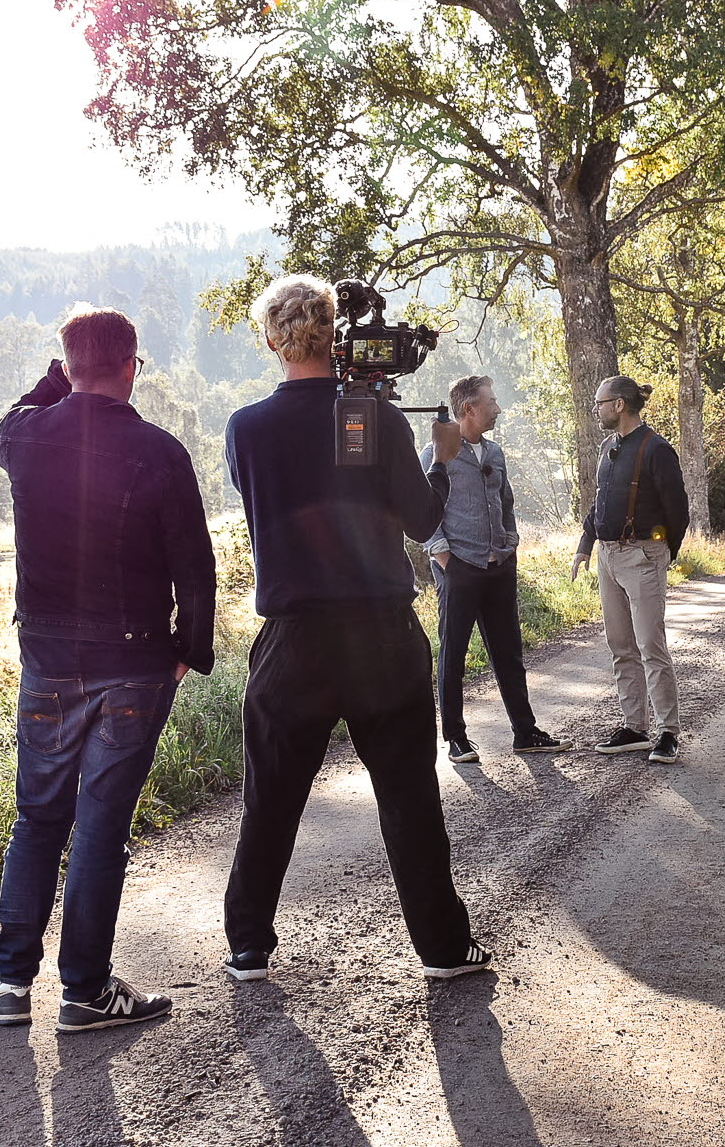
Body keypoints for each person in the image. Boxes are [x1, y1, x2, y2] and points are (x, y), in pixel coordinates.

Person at [219, 273, 490, 984]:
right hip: (380, 635)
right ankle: (442, 948)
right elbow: (423, 522)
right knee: (408, 797)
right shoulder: (373, 420)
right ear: (334, 333)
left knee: (270, 800)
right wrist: (439, 460)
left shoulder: (245, 428)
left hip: (293, 638)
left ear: (272, 340)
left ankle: (248, 944)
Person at [0, 305, 215, 1033]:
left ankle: (8, 985)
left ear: (69, 365)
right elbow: (194, 565)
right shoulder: (161, 451)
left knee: (38, 817)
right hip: (135, 660)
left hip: (47, 657)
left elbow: (1, 426)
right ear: (132, 367)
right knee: (102, 826)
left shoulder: (24, 437)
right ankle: (85, 992)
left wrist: (55, 381)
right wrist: (187, 651)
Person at [421, 375, 567, 764]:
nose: (498, 409)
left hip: (499, 564)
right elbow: (424, 513)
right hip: (459, 568)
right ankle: (456, 738)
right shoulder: (435, 454)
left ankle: (526, 732)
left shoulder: (495, 452)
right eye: (491, 402)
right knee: (453, 654)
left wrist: (510, 542)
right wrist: (444, 558)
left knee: (509, 653)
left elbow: (506, 501)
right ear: (469, 408)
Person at [569, 374, 689, 764]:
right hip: (607, 557)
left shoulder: (657, 450)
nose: (596, 409)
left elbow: (678, 511)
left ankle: (667, 732)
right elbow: (600, 504)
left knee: (650, 645)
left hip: (643, 556)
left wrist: (661, 552)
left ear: (619, 405)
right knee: (621, 646)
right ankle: (635, 727)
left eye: (600, 403)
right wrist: (585, 546)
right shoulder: (608, 447)